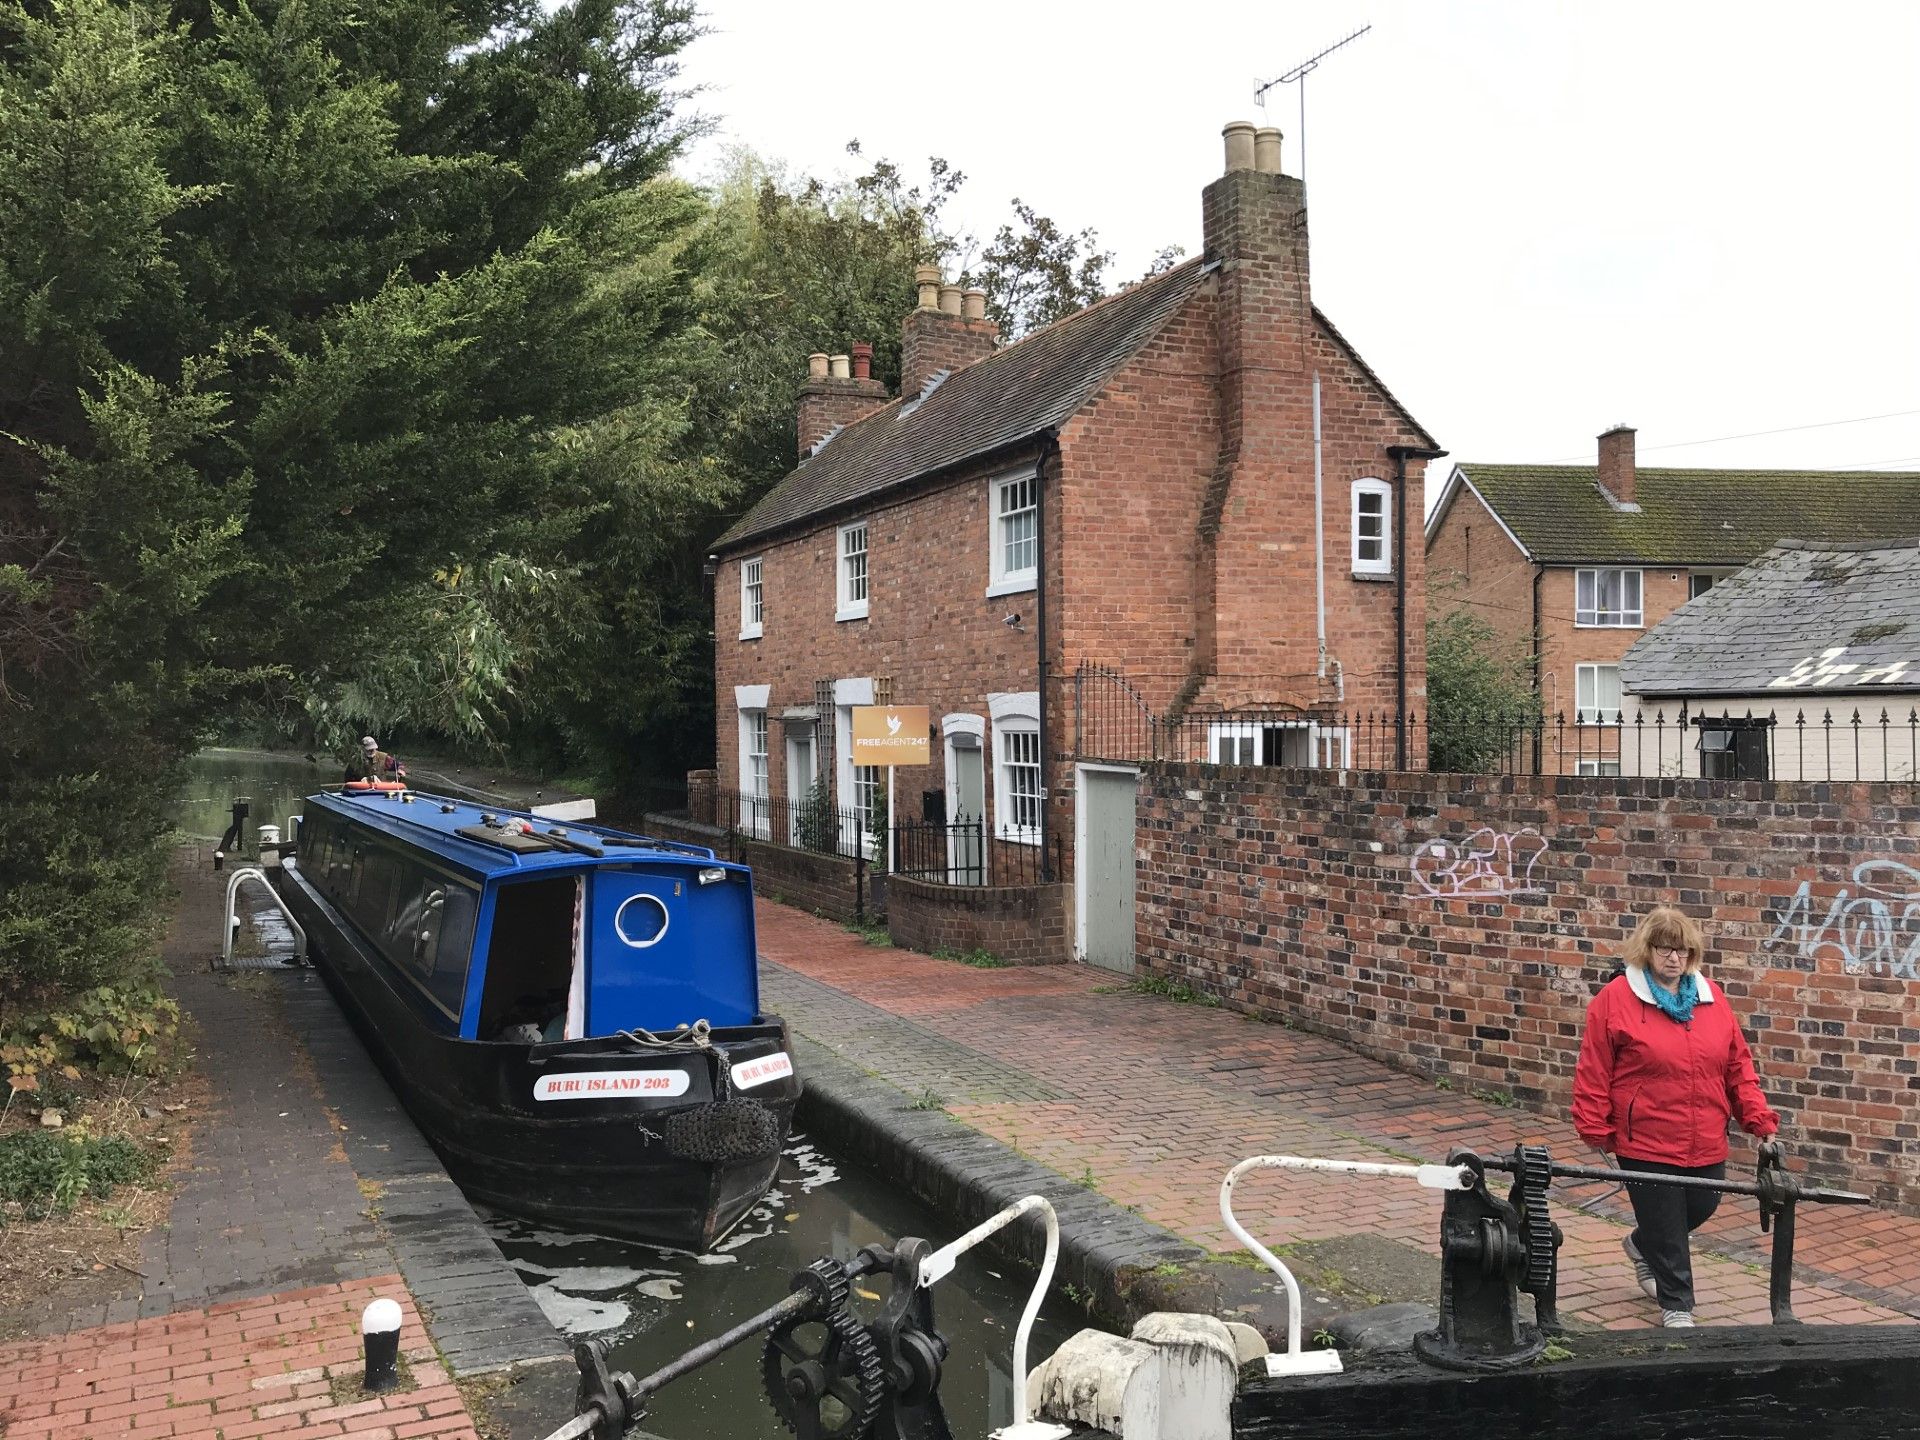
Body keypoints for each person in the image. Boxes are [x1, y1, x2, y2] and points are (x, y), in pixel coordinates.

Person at [1572, 905, 1779, 1329]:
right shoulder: (1615, 1000)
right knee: (1666, 1221)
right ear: (1646, 950)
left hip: (1705, 1132)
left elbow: (1738, 1066)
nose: (1674, 959)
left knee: (1703, 1203)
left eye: (1683, 950)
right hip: (1645, 1135)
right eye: (1665, 949)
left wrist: (1759, 1121)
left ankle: (1640, 1242)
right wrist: (1594, 1125)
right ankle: (1677, 1306)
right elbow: (1594, 1066)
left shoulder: (1712, 998)